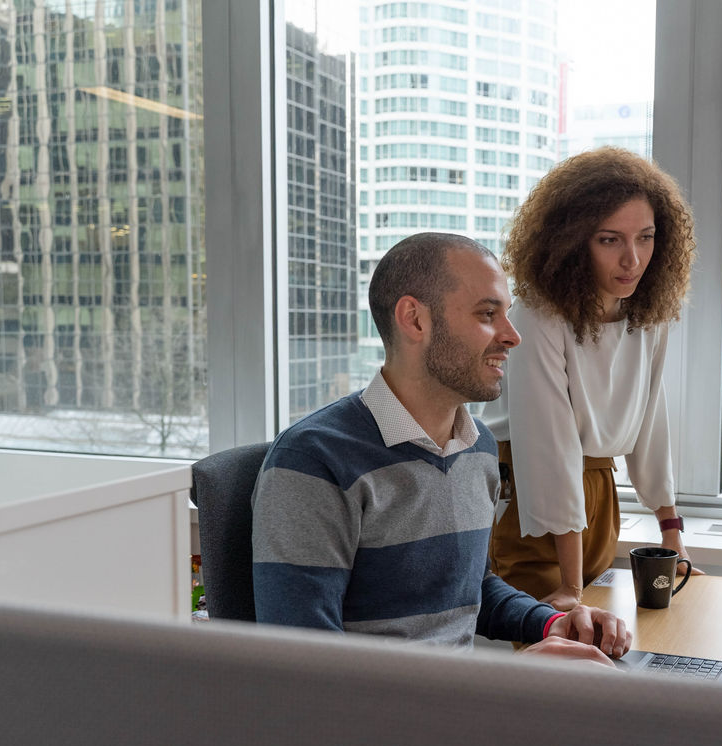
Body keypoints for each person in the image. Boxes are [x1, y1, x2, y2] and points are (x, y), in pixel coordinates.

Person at [251, 231, 630, 665]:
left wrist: (550, 624)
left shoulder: (479, 448)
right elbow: (302, 667)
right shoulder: (313, 462)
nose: (512, 336)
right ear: (414, 320)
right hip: (385, 726)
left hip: (458, 710)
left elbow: (472, 588)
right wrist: (514, 680)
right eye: (488, 313)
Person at [482, 147, 697, 611]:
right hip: (529, 491)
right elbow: (548, 448)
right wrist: (572, 586)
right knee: (551, 656)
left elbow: (650, 422)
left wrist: (671, 533)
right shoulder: (539, 318)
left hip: (599, 489)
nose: (632, 260)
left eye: (645, 237)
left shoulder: (649, 314)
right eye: (609, 240)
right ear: (573, 242)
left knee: (599, 654)